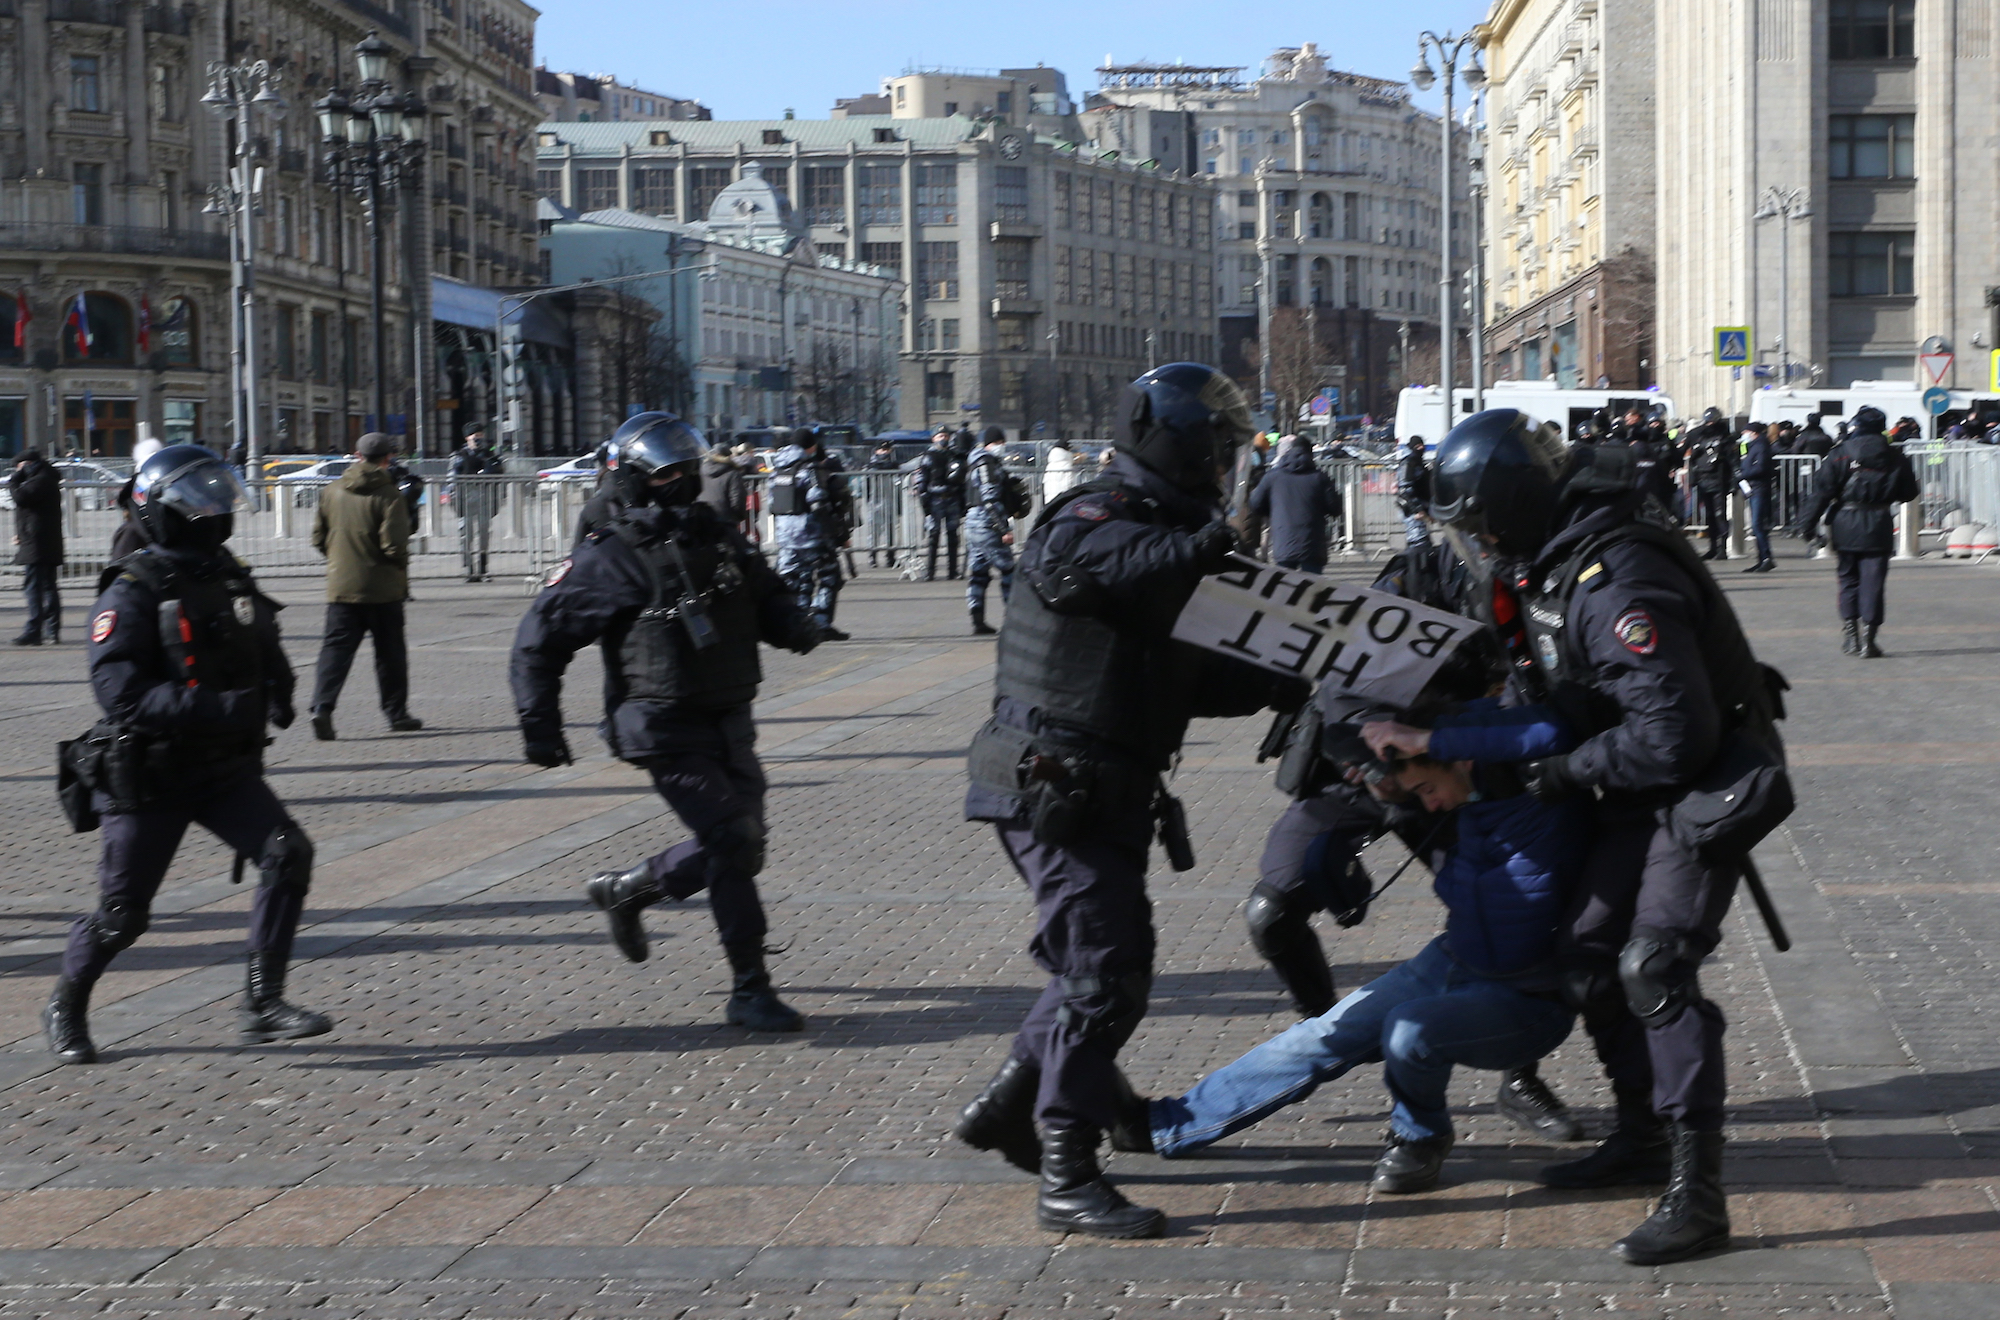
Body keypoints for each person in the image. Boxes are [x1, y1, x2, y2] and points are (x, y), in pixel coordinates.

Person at [1428, 407, 1790, 1265]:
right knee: (1587, 959)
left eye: (1478, 524)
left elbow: (1674, 738)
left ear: (1511, 507)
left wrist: (1550, 774)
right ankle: (1641, 1134)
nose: (1475, 542)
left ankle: (1698, 1194)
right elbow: (1576, 699)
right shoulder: (1557, 560)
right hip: (1634, 785)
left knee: (1653, 965)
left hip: (1698, 787)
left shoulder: (1613, 575)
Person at [954, 362, 1300, 1239]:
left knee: (1095, 966)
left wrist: (1290, 676)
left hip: (1102, 787)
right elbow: (1101, 574)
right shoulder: (1094, 516)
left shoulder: (1170, 537)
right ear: (1174, 442)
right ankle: (1066, 1168)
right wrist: (1214, 545)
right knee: (1105, 974)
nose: (1227, 463)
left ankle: (1012, 1106)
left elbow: (1193, 676)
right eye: (1218, 447)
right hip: (1051, 784)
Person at [1138, 699, 1588, 1192]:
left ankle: (1420, 1137)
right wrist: (1392, 776)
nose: (1431, 804)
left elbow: (1550, 727)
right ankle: (1168, 1123)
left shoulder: (1543, 794)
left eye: (1427, 788)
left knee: (1408, 1032)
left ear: (1460, 758)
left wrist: (1426, 741)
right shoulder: (1468, 804)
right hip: (1452, 959)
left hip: (1526, 997)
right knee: (1319, 1036)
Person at [510, 412, 822, 1031]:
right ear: (635, 475)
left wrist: (795, 624)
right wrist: (539, 725)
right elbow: (539, 639)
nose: (680, 483)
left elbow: (764, 591)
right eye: (667, 473)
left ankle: (631, 890)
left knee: (742, 843)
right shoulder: (614, 554)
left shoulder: (717, 533)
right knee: (731, 839)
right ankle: (749, 987)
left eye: (687, 471)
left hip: (727, 713)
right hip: (659, 722)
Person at [44, 445, 327, 1064]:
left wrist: (278, 684)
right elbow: (120, 691)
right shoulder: (133, 587)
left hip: (222, 767)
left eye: (218, 493)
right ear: (163, 507)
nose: (215, 506)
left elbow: (259, 629)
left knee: (287, 855)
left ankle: (262, 1003)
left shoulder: (223, 569)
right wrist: (214, 708)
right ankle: (67, 999)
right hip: (151, 772)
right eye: (200, 496)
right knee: (124, 917)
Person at [308, 432, 422, 740]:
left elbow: (317, 537)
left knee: (335, 651)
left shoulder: (332, 490)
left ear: (356, 455)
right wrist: (399, 565)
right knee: (389, 655)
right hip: (383, 590)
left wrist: (340, 562)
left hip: (341, 587)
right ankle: (396, 714)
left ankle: (322, 707)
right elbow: (394, 546)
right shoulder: (390, 495)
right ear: (387, 459)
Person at [1797, 405, 1919, 658]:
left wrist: (1806, 526)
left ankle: (1850, 637)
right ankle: (1869, 640)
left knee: (1848, 579)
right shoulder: (1896, 456)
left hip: (1845, 522)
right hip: (1878, 523)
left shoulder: (1840, 453)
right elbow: (1909, 493)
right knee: (1873, 582)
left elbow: (1821, 493)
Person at [768, 428, 850, 642]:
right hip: (811, 535)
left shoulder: (778, 470)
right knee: (830, 577)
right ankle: (821, 624)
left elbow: (771, 504)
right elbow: (819, 503)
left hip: (786, 537)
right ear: (811, 446)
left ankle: (796, 626)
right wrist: (835, 533)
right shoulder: (808, 469)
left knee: (794, 582)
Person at [1249, 434, 1339, 573]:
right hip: (1313, 545)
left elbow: (1255, 504)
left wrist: (1272, 510)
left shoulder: (1272, 477)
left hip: (1284, 543)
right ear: (1310, 454)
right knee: (1313, 590)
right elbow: (1335, 508)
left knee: (1286, 589)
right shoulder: (1320, 478)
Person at [961, 427, 1017, 636]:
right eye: (1000, 443)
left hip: (973, 522)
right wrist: (1003, 529)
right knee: (1009, 570)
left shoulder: (975, 461)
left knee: (979, 573)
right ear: (994, 442)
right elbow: (990, 499)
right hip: (986, 524)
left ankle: (977, 620)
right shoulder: (987, 463)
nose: (1002, 447)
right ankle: (1013, 618)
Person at [10, 448, 63, 645]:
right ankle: (51, 629)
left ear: (28, 464)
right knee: (48, 586)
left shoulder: (41, 480)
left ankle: (35, 630)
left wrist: (14, 480)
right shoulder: (45, 477)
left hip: (38, 543)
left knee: (34, 587)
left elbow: (21, 498)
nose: (18, 472)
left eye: (19, 467)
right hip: (41, 541)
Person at [449, 429, 505, 582]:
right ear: (467, 437)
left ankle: (482, 569)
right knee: (466, 535)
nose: (478, 438)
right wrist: (453, 499)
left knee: (484, 534)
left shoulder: (488, 454)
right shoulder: (459, 456)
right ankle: (469, 569)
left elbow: (499, 474)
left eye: (480, 435)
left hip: (484, 498)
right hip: (465, 498)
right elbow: (451, 479)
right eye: (475, 435)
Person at [913, 429, 966, 580]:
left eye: (946, 436)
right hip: (935, 499)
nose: (944, 439)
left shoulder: (954, 455)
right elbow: (922, 480)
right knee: (933, 536)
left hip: (952, 498)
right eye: (940, 436)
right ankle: (930, 571)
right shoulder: (928, 457)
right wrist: (925, 502)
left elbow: (961, 479)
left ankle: (953, 571)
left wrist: (963, 503)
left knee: (953, 536)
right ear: (934, 438)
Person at [1684, 409, 1736, 558]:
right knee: (1709, 515)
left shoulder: (1725, 437)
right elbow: (1687, 454)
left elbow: (1732, 459)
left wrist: (1734, 481)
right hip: (1703, 478)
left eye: (1712, 421)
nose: (1710, 424)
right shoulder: (1697, 435)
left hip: (1719, 479)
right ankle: (1713, 547)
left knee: (1720, 515)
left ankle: (1722, 549)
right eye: (1708, 421)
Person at [1737, 423, 1776, 573]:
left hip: (1759, 488)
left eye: (1746, 431)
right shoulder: (1753, 446)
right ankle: (1762, 558)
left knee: (1757, 524)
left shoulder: (1760, 446)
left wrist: (1744, 474)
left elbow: (1760, 467)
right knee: (1757, 525)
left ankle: (1766, 557)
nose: (1744, 434)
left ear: (1754, 433)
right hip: (1753, 488)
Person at [863, 440, 902, 567]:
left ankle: (890, 557)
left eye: (887, 450)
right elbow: (866, 487)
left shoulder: (894, 466)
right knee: (874, 531)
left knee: (890, 531)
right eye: (882, 450)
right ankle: (872, 556)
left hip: (890, 501)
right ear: (876, 451)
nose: (885, 452)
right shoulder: (870, 467)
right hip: (875, 502)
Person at [699, 440, 751, 534]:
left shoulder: (701, 471)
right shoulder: (732, 473)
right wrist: (740, 516)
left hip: (703, 516)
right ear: (729, 456)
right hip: (725, 519)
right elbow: (737, 498)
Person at [1397, 436, 1432, 549]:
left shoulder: (1417, 462)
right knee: (1418, 542)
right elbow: (1405, 489)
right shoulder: (1409, 463)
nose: (1421, 449)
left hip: (1420, 506)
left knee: (1422, 541)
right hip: (1413, 509)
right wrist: (1417, 509)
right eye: (1418, 447)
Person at [1041, 438, 1080, 504]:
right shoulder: (1067, 466)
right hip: (1063, 501)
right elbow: (1070, 484)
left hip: (1050, 501)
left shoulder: (1050, 465)